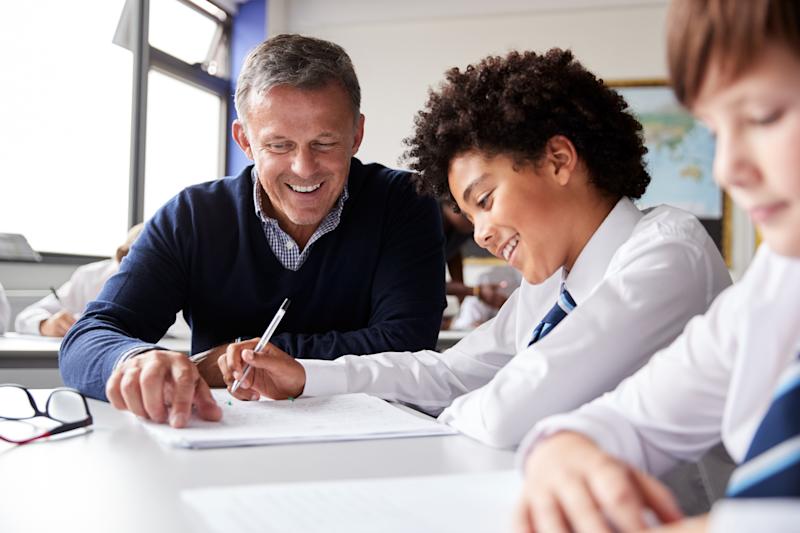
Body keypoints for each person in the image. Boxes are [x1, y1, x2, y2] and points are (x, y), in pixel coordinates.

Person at [216, 48, 732, 449]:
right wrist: (308, 375)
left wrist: (434, 417)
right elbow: (450, 371)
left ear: (558, 160)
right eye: (471, 213)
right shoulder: (552, 285)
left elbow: (514, 409)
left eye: (485, 200)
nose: (481, 232)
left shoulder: (667, 253)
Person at [60, 34, 446, 428]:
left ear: (356, 136)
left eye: (325, 142)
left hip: (376, 441)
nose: (304, 168)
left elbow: (408, 345)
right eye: (279, 145)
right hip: (224, 438)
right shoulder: (193, 216)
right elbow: (88, 338)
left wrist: (228, 360)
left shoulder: (405, 202)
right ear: (245, 140)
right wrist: (136, 361)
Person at [515, 1, 800, 532]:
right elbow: (630, 416)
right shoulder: (775, 286)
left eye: (763, 116)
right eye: (715, 131)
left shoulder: (668, 249)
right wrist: (565, 451)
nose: (727, 169)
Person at [13, 224, 183, 337]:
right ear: (121, 254)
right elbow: (25, 317)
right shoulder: (90, 276)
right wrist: (46, 324)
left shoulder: (181, 281)